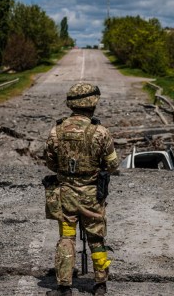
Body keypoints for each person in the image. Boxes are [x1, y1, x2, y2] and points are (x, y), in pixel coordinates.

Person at [44, 82, 120, 296]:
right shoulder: (101, 132)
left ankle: (64, 287)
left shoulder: (56, 130)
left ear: (71, 104)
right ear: (92, 104)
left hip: (65, 195)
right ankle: (100, 284)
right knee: (96, 238)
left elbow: (50, 163)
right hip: (92, 197)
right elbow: (113, 165)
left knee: (67, 237)